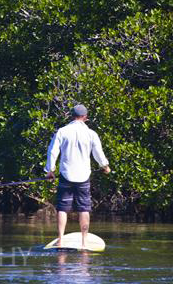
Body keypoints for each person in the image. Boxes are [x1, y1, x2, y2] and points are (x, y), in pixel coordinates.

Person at [45, 104, 111, 248]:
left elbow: (52, 151)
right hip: (83, 177)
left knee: (62, 208)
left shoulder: (62, 131)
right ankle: (84, 242)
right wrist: (105, 167)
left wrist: (50, 170)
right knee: (84, 208)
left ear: (71, 116)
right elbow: (98, 154)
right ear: (85, 117)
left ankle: (60, 240)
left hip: (65, 175)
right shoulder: (91, 134)